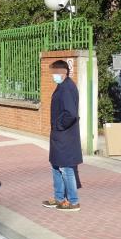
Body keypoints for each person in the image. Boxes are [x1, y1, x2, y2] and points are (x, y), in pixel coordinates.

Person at [42, 60, 82, 212]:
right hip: (60, 135)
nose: (53, 76)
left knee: (66, 168)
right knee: (56, 165)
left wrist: (58, 126)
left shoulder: (66, 88)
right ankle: (59, 198)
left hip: (65, 135)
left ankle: (73, 201)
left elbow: (70, 114)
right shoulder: (63, 85)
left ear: (63, 72)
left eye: (55, 73)